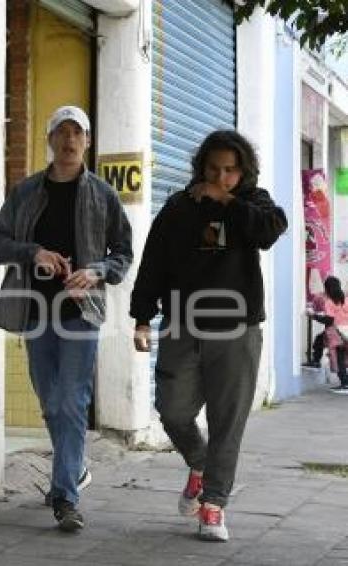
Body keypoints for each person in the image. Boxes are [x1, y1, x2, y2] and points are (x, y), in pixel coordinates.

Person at [130, 130, 287, 542]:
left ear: (243, 172)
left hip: (237, 330)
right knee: (173, 410)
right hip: (182, 326)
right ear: (201, 166)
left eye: (230, 171)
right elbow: (153, 264)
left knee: (226, 422)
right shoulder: (179, 208)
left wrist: (227, 202)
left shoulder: (254, 204)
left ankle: (214, 504)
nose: (220, 177)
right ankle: (199, 465)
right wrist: (142, 317)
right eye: (213, 169)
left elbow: (269, 232)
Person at [0, 105, 133, 532]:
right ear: (49, 140)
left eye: (78, 133)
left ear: (87, 141)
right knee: (51, 403)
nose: (69, 140)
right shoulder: (25, 192)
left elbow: (123, 252)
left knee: (72, 401)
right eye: (62, 132)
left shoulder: (103, 195)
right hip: (35, 311)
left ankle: (65, 497)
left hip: (80, 313)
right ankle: (74, 467)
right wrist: (33, 252)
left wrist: (98, 271)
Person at [306, 276, 348, 393]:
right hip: (345, 332)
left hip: (335, 333)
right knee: (320, 340)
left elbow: (329, 320)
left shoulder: (329, 302)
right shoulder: (345, 299)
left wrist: (314, 316)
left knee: (339, 358)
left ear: (328, 289)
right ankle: (315, 361)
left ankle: (345, 383)